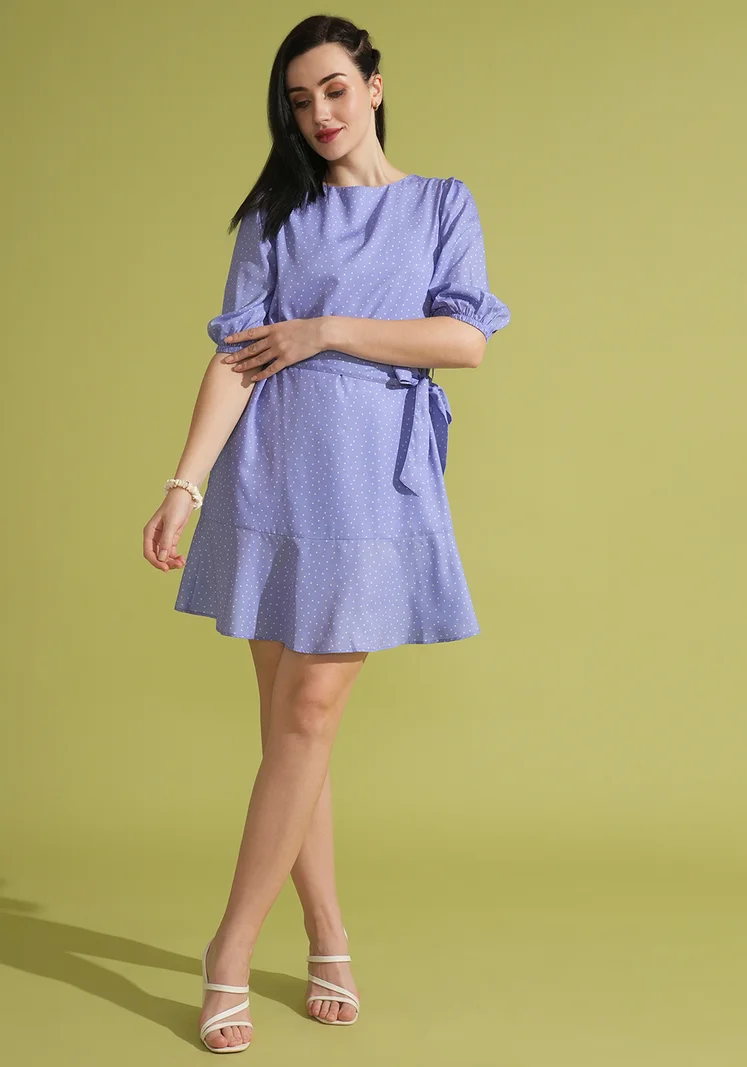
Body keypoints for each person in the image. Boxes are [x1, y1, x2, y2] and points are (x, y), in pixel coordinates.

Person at [142, 13, 510, 1054]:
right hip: (269, 476)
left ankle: (227, 948)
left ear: (374, 87)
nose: (320, 114)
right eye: (300, 101)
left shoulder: (440, 203)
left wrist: (326, 329)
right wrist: (184, 484)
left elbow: (465, 338)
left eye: (336, 90)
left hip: (371, 483)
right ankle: (330, 936)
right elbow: (234, 356)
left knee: (306, 713)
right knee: (290, 732)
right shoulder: (275, 215)